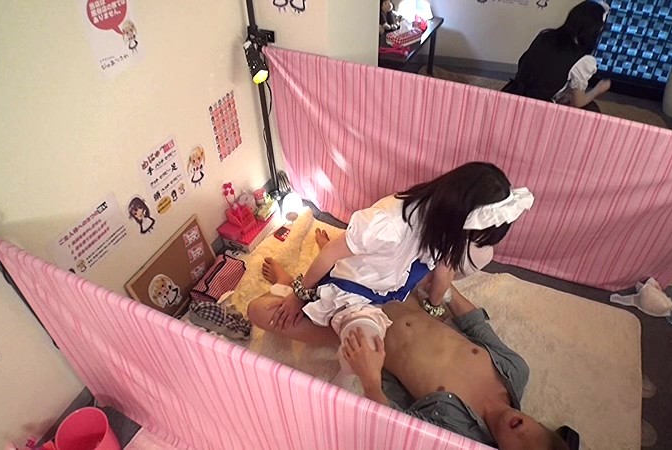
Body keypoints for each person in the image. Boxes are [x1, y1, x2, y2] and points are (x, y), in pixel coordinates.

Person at [247, 162, 534, 385]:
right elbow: (332, 254)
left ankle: (318, 293)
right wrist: (299, 294)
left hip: (390, 285)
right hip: (351, 288)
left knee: (366, 336)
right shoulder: (388, 225)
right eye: (473, 238)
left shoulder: (445, 232)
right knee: (263, 312)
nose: (472, 246)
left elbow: (442, 274)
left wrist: (436, 303)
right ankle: (292, 284)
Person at [256, 247, 568, 450]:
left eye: (524, 449)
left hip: (362, 331)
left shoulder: (456, 435)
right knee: (379, 245)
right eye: (539, 438)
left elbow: (394, 426)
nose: (525, 435)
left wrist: (370, 379)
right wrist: (443, 287)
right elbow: (474, 322)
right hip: (405, 295)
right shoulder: (515, 370)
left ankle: (291, 284)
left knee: (258, 311)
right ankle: (307, 284)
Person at [502, 0, 611, 111]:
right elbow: (578, 102)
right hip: (535, 108)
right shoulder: (584, 60)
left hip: (510, 94)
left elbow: (529, 67)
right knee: (592, 108)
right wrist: (598, 89)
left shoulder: (546, 36)